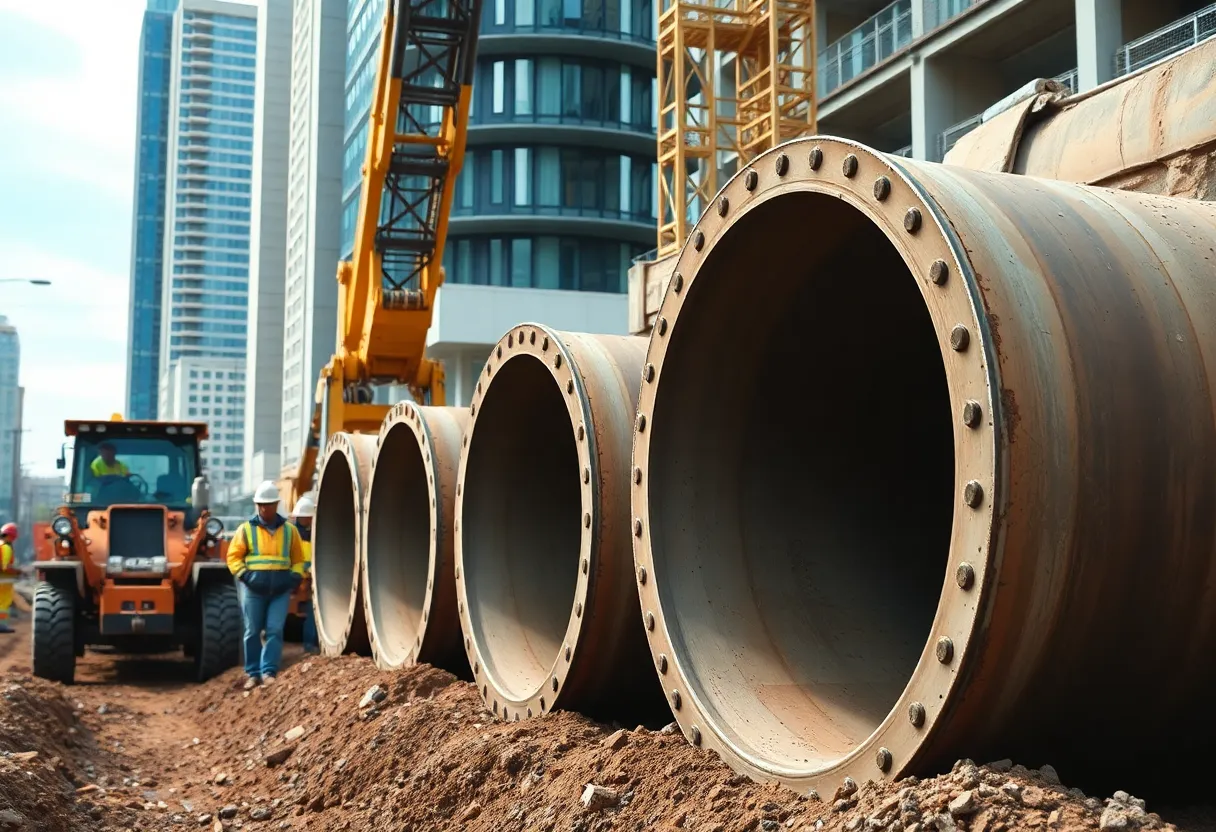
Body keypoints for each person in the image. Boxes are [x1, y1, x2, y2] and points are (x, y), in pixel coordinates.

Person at [226, 481, 306, 690]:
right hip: (253, 590)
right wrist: (245, 576)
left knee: (274, 630)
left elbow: (299, 559)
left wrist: (295, 577)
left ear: (276, 504)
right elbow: (233, 557)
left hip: (280, 591)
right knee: (252, 631)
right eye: (260, 504)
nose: (264, 508)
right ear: (256, 505)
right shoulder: (245, 530)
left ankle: (269, 671)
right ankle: (253, 673)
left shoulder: (290, 531)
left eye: (268, 504)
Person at [290, 493, 319, 654]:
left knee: (312, 613)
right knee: (310, 613)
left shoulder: (308, 533)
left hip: (308, 578)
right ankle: (309, 646)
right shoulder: (293, 535)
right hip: (301, 579)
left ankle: (311, 645)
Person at [0, 523, 19, 634]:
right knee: (3, 604)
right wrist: (18, 572)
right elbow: (5, 567)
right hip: (4, 581)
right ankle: (2, 625)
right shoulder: (6, 547)